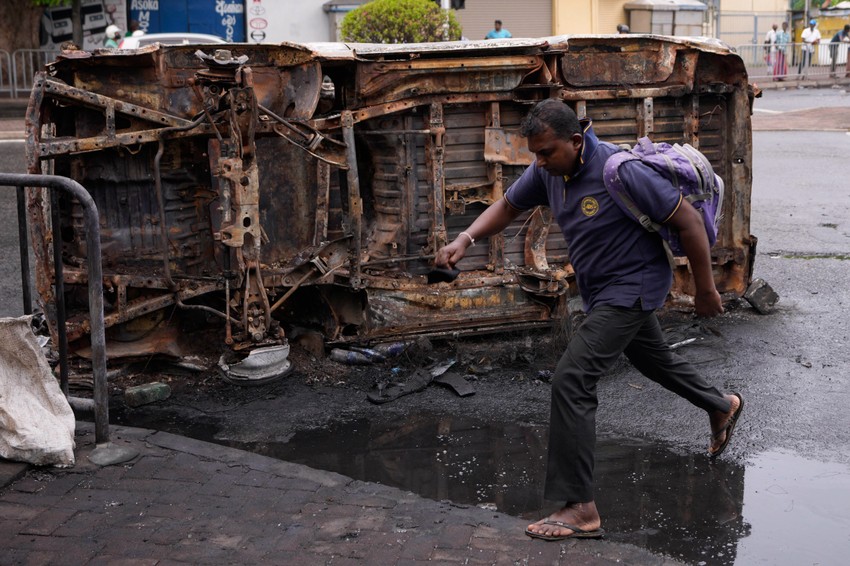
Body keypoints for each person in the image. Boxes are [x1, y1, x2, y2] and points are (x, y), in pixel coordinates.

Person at [435, 99, 743, 541]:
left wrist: (707, 290)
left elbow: (690, 221)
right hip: (602, 291)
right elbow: (508, 205)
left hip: (633, 287)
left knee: (572, 379)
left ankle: (579, 507)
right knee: (653, 359)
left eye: (545, 153)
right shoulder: (551, 170)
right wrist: (464, 240)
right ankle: (721, 405)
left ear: (576, 142)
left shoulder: (620, 170)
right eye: (535, 155)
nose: (538, 163)